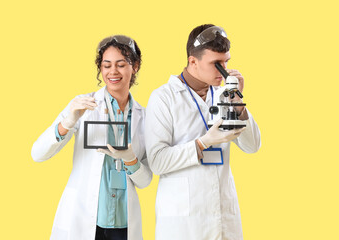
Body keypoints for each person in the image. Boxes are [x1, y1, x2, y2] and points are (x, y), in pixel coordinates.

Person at [145, 24, 261, 240]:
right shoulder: (163, 98)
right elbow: (157, 162)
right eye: (216, 63)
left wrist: (239, 104)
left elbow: (252, 146)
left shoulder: (224, 94)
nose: (224, 70)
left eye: (226, 62)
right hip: (184, 224)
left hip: (224, 220)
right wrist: (202, 143)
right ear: (193, 61)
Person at [32, 35, 152, 240]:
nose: (113, 72)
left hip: (124, 225)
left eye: (121, 64)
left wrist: (130, 159)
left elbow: (145, 181)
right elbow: (38, 154)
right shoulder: (83, 106)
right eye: (106, 65)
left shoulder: (146, 117)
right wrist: (68, 122)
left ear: (136, 66)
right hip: (83, 218)